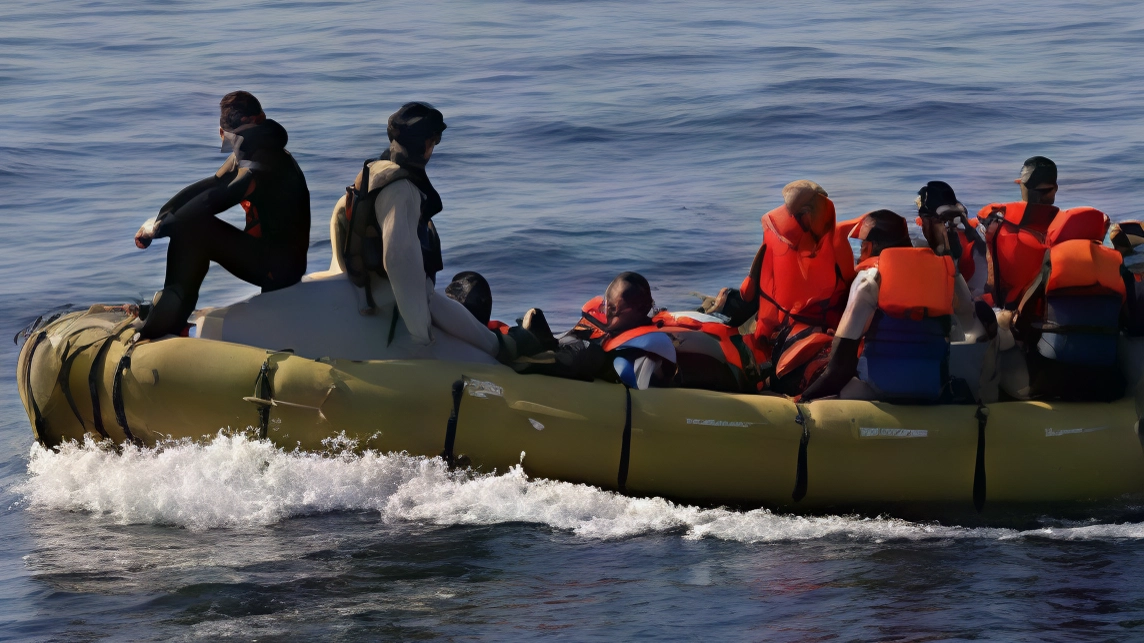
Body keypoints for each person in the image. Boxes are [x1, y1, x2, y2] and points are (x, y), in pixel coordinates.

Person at [330, 102, 534, 362]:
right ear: (423, 145)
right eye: (433, 141)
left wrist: (354, 287)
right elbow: (398, 261)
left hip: (367, 289)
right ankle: (506, 347)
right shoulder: (402, 191)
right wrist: (421, 335)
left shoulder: (374, 172)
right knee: (482, 335)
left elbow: (341, 221)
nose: (433, 148)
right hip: (391, 297)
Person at [133, 91, 310, 338]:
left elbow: (216, 199)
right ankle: (173, 314)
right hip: (272, 258)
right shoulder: (254, 153)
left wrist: (160, 229)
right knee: (191, 225)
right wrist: (159, 218)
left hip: (280, 270)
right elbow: (207, 186)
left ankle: (170, 321)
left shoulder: (264, 163)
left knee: (196, 229)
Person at [801, 210, 978, 402]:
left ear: (872, 246)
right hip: (933, 389)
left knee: (821, 387)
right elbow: (968, 325)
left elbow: (839, 368)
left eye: (862, 247)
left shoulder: (868, 281)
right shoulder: (944, 274)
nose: (860, 256)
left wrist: (804, 398)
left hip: (879, 390)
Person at [703, 180, 856, 395]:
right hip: (814, 339)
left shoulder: (770, 243)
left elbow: (748, 293)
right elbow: (851, 293)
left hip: (774, 340)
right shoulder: (837, 244)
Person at [1008, 207, 1126, 401]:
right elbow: (1124, 315)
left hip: (1055, 375)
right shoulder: (1115, 261)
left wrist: (1015, 328)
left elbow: (1025, 312)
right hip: (1104, 377)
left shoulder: (1053, 259)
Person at [979, 157, 1108, 310]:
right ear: (1055, 189)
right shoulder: (1079, 226)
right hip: (1061, 310)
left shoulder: (995, 223)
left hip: (1013, 313)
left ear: (1022, 187)